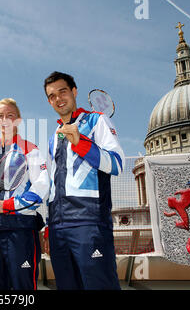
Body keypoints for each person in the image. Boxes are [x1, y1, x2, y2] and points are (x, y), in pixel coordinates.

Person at [42, 71, 124, 290]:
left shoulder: (97, 121)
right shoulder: (54, 137)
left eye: (63, 91)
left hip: (89, 223)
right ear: (49, 101)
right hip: (59, 229)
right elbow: (53, 185)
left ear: (74, 91)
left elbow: (117, 164)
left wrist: (81, 142)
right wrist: (51, 226)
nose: (58, 99)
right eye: (52, 96)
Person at [0, 98, 49, 290]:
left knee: (23, 288)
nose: (5, 120)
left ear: (18, 121)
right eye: (0, 116)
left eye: (10, 115)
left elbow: (41, 187)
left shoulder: (31, 149)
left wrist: (8, 205)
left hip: (21, 229)